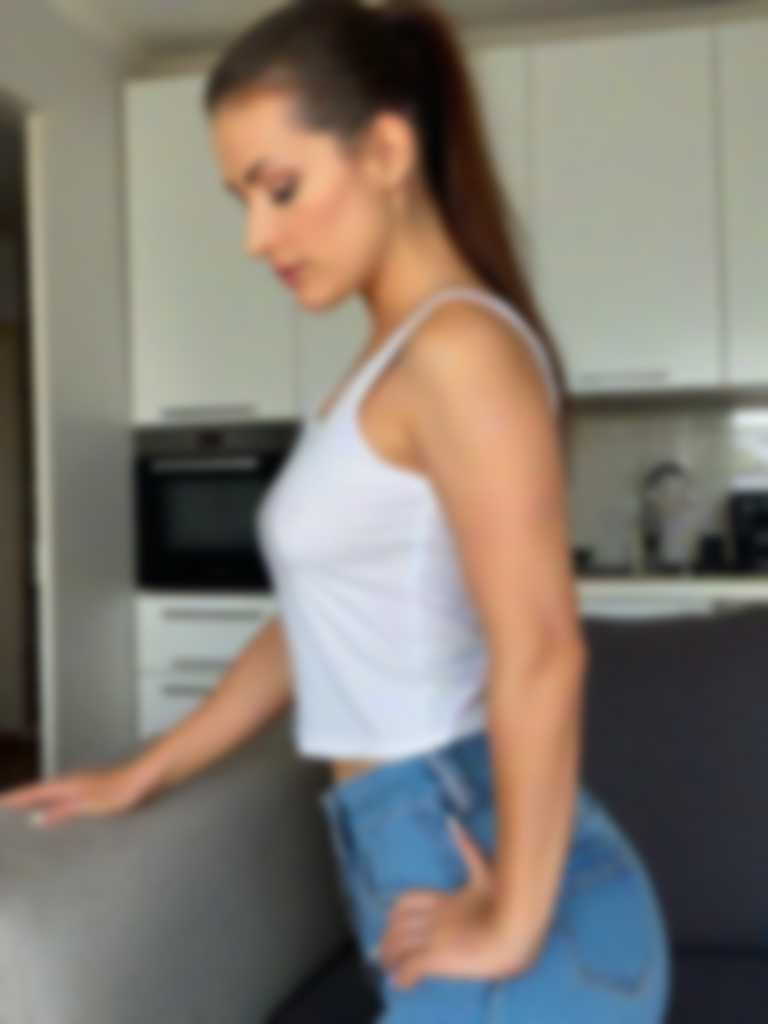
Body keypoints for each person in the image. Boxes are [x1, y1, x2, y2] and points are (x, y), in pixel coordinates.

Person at [0, 0, 672, 1019]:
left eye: (280, 188)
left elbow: (542, 648)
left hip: (464, 838)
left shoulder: (458, 351)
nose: (255, 236)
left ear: (387, 152)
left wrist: (514, 921)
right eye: (241, 199)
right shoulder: (390, 362)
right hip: (408, 829)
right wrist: (145, 771)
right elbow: (312, 623)